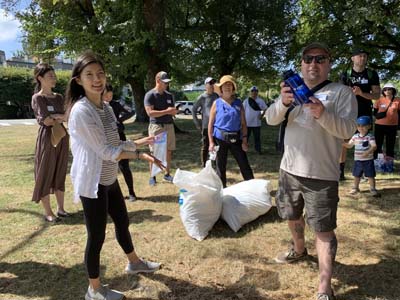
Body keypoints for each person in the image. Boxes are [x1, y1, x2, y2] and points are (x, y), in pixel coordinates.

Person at [67, 51, 164, 300]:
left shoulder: (106, 107)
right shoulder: (82, 111)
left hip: (109, 178)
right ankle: (94, 290)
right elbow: (107, 151)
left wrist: (141, 142)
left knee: (122, 222)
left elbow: (117, 142)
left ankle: (134, 263)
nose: (97, 79)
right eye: (89, 75)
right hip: (93, 182)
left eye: (100, 73)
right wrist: (141, 155)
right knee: (97, 235)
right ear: (78, 80)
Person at [266, 42, 357, 300]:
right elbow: (271, 119)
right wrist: (283, 104)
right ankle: (299, 249)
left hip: (322, 175)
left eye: (320, 59)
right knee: (291, 215)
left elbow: (348, 131)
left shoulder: (342, 93)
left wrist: (322, 114)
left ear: (329, 63)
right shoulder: (291, 90)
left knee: (323, 230)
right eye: (308, 59)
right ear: (301, 63)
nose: (313, 64)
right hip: (289, 170)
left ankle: (324, 287)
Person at [31, 63, 69, 223]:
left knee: (60, 170)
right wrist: (58, 116)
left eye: (54, 75)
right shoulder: (38, 98)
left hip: (62, 136)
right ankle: (48, 212)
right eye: (50, 76)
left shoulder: (59, 97)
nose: (54, 78)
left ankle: (61, 208)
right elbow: (45, 121)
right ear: (40, 78)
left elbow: (67, 116)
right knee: (45, 172)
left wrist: (57, 117)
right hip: (47, 138)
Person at [338, 48, 381, 180]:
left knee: (364, 142)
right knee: (343, 140)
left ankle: (363, 172)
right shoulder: (345, 74)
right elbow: (340, 95)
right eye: (359, 56)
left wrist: (361, 93)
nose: (362, 58)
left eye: (364, 56)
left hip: (364, 112)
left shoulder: (371, 74)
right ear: (352, 58)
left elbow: (377, 95)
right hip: (347, 112)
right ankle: (340, 171)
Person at [208, 75, 254, 188]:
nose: (228, 87)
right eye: (225, 85)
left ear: (233, 88)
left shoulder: (238, 103)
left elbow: (243, 123)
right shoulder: (216, 103)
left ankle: (253, 189)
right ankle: (222, 191)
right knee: (220, 166)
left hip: (236, 138)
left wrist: (244, 140)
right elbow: (210, 124)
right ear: (221, 88)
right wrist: (211, 142)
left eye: (230, 85)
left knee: (244, 164)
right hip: (220, 139)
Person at [103, 83, 137, 201]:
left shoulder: (116, 104)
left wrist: (119, 120)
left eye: (110, 96)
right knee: (108, 167)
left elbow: (132, 111)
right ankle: (109, 195)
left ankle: (132, 192)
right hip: (106, 139)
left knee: (124, 166)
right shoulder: (99, 107)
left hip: (119, 136)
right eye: (106, 96)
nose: (108, 98)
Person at [144, 71, 179, 186]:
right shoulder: (150, 95)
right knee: (154, 152)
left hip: (169, 125)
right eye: (164, 82)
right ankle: (152, 176)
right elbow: (150, 113)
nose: (166, 85)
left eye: (167, 83)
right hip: (157, 126)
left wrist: (174, 111)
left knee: (168, 151)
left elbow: (171, 111)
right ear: (158, 80)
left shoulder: (169, 95)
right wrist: (167, 111)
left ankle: (167, 174)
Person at [343, 116, 379, 197]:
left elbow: (374, 146)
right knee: (356, 175)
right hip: (358, 160)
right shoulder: (355, 136)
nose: (360, 127)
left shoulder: (370, 136)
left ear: (369, 126)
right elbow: (349, 145)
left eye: (363, 126)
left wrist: (367, 152)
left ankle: (373, 188)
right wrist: (342, 143)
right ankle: (355, 188)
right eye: (358, 125)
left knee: (370, 175)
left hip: (368, 160)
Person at [192, 77, 219, 166]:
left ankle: (214, 163)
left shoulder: (216, 96)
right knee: (205, 145)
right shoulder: (202, 97)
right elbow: (194, 110)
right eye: (210, 83)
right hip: (206, 126)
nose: (212, 85)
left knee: (216, 145)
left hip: (217, 125)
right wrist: (197, 123)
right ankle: (204, 165)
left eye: (213, 83)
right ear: (205, 85)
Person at [373, 83, 400, 160]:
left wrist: (399, 125)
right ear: (383, 91)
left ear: (393, 90)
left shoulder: (398, 100)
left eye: (389, 89)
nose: (387, 91)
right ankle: (376, 160)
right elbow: (375, 112)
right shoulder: (379, 99)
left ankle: (389, 163)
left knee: (390, 144)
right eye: (385, 89)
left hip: (392, 126)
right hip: (379, 125)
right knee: (378, 143)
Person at [242, 86, 268, 154]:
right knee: (246, 138)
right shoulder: (246, 101)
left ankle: (258, 150)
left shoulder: (260, 100)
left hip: (257, 123)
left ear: (257, 92)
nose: (254, 92)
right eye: (253, 91)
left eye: (256, 91)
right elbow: (242, 110)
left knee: (257, 138)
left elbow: (265, 108)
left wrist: (262, 115)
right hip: (247, 123)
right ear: (250, 92)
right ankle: (243, 150)